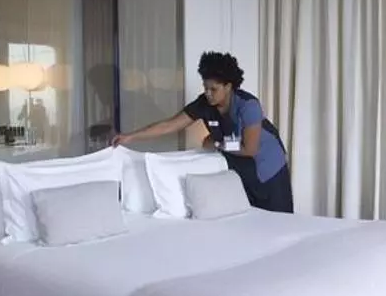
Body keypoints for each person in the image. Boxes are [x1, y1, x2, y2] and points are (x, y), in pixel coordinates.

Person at [111, 52, 294, 213]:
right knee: (251, 223)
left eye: (213, 89)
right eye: (205, 87)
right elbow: (169, 125)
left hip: (269, 168)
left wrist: (217, 143)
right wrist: (130, 136)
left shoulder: (248, 105)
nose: (208, 93)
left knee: (280, 223)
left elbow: (249, 148)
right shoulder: (204, 104)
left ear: (228, 86)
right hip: (241, 168)